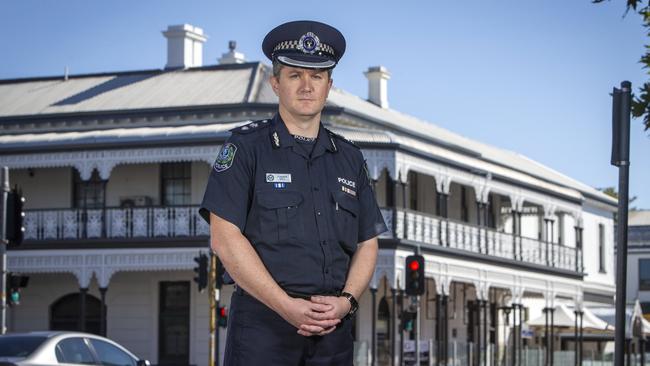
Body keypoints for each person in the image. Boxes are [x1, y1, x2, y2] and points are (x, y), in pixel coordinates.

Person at [199, 20, 387, 365]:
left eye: (316, 77)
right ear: (275, 83)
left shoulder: (349, 158)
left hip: (334, 332)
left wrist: (346, 301)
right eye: (294, 75)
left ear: (329, 86)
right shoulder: (246, 147)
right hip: (263, 330)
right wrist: (287, 307)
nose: (306, 86)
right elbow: (224, 238)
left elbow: (367, 242)